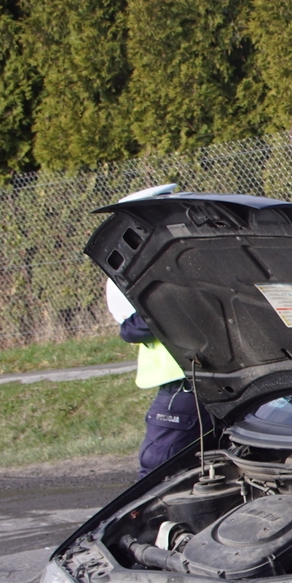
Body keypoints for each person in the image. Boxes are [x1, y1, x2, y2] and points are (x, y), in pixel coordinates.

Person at [105, 184, 214, 477]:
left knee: (156, 474)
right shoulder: (199, 254)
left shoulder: (158, 264)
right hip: (224, 381)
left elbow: (138, 327)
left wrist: (130, 325)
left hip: (184, 383)